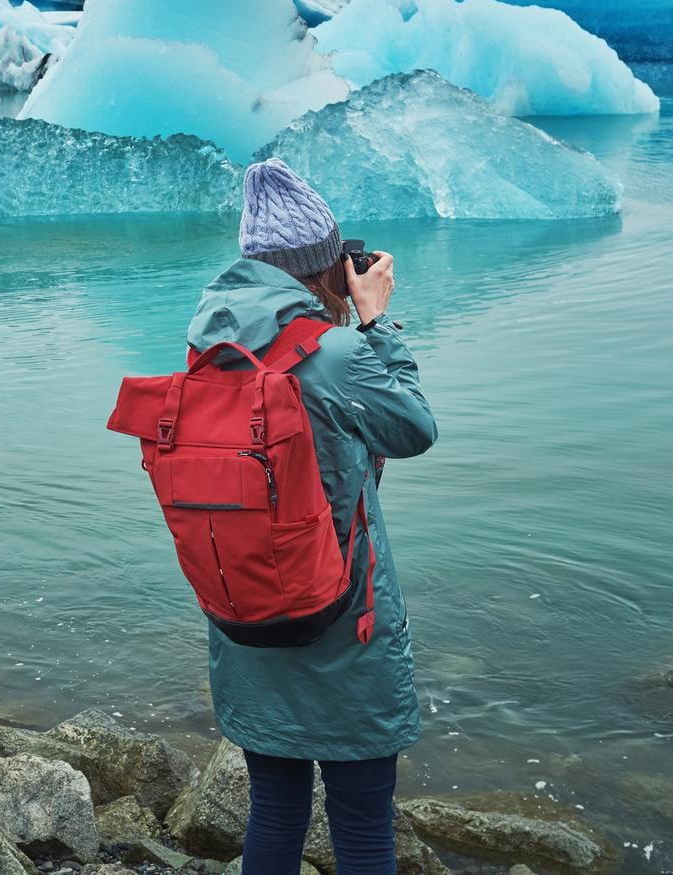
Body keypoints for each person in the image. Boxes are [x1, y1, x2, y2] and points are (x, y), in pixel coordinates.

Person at [186, 158, 437, 875]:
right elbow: (413, 429)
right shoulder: (334, 353)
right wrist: (377, 320)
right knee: (361, 826)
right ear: (323, 264)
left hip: (247, 612)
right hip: (342, 620)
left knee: (276, 808)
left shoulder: (209, 344)